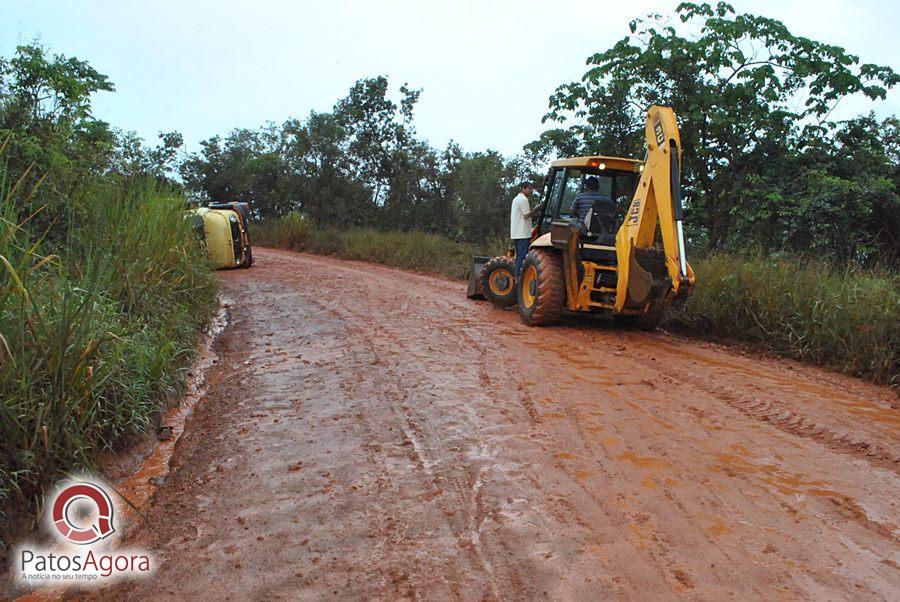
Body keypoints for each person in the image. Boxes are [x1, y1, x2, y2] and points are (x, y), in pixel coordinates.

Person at [510, 182, 541, 277]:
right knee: (523, 256)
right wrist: (536, 209)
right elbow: (526, 215)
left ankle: (516, 275)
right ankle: (518, 276)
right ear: (524, 189)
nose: (531, 191)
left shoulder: (516, 199)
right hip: (523, 233)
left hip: (517, 232)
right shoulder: (523, 200)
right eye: (529, 189)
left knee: (519, 256)